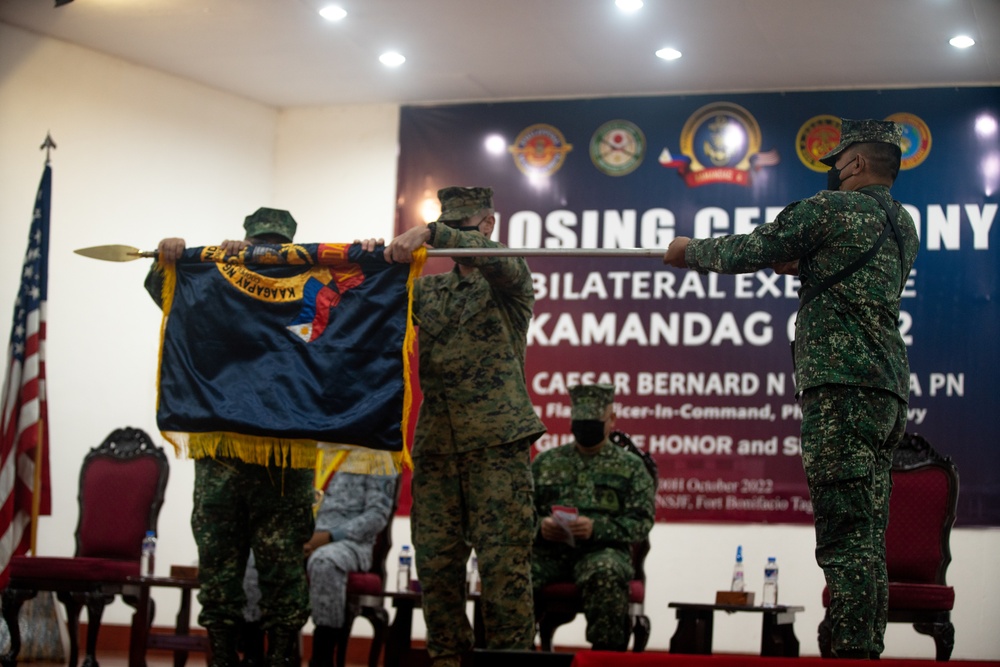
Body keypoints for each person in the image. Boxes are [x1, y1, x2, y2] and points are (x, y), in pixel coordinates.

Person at [663, 118, 919, 659]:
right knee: (869, 537)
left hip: (841, 391)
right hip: (887, 392)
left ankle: (851, 653)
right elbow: (841, 271)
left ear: (854, 163)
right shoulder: (904, 225)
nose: (834, 175)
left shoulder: (830, 209)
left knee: (846, 539)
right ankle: (865, 647)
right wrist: (803, 262)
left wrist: (690, 253)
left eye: (837, 165)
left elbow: (754, 248)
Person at [360, 186, 546, 667]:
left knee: (504, 568)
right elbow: (370, 301)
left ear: (488, 225)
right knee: (437, 568)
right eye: (450, 228)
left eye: (465, 228)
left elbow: (496, 261)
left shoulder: (510, 280)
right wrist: (372, 261)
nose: (456, 238)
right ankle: (447, 661)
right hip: (438, 446)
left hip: (496, 444)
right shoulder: (431, 290)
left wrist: (430, 232)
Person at [146, 207, 315, 666]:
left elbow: (350, 312)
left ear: (292, 250)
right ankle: (221, 658)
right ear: (241, 241)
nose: (265, 253)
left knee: (283, 575)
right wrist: (171, 256)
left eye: (276, 247)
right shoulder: (216, 288)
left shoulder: (311, 290)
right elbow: (165, 290)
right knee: (218, 573)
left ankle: (281, 658)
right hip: (222, 455)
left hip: (285, 459)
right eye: (259, 243)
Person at [241, 449, 398, 667]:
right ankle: (254, 654)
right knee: (254, 560)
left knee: (324, 562)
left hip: (349, 543)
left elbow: (377, 516)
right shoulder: (309, 447)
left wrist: (329, 537)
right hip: (301, 538)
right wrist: (292, 536)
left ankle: (322, 658)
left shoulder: (376, 455)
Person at [531, 383, 655, 651]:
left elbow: (641, 522)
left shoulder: (631, 468)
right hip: (550, 553)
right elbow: (519, 513)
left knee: (606, 573)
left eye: (593, 422)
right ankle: (509, 653)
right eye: (580, 421)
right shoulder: (545, 463)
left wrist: (596, 528)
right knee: (513, 572)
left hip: (603, 552)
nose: (586, 427)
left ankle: (606, 656)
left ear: (611, 420)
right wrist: (541, 526)